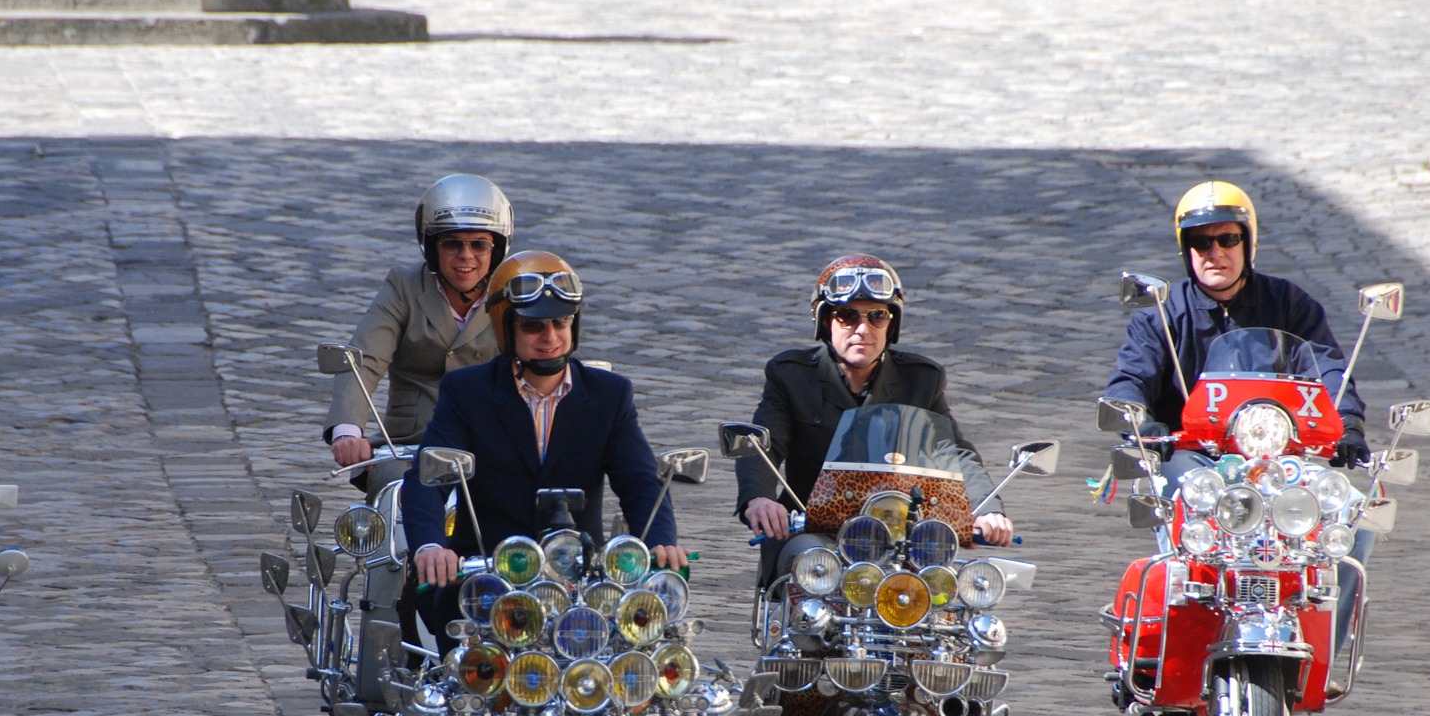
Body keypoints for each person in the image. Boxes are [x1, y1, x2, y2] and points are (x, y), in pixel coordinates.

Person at [404, 250, 686, 614]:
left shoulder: (609, 395)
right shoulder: (467, 391)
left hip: (580, 580)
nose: (550, 336)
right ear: (506, 327)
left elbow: (641, 482)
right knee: (452, 642)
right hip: (486, 577)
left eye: (561, 323)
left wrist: (660, 542)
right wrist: (431, 547)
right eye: (533, 326)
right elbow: (426, 478)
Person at [734, 254, 1014, 581]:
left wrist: (987, 510)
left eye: (876, 316)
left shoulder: (921, 380)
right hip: (816, 531)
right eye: (847, 316)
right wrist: (760, 499)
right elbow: (763, 443)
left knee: (948, 591)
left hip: (900, 536)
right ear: (826, 321)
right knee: (815, 567)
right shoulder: (791, 376)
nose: (862, 329)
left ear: (891, 323)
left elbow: (954, 453)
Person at [1103, 180, 1368, 472]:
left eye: (1228, 239)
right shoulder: (1162, 314)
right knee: (1176, 490)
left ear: (1248, 242)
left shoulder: (1289, 303)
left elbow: (1326, 368)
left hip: (1277, 455)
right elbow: (1132, 377)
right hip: (1186, 455)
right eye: (1201, 242)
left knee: (1338, 506)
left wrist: (1348, 422)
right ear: (1186, 249)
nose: (1215, 253)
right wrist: (1141, 423)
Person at [325, 174, 510, 495]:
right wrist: (347, 432)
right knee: (394, 491)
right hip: (409, 448)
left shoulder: (512, 293)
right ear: (431, 246)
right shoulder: (403, 286)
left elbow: (540, 361)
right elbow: (364, 359)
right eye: (452, 243)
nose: (466, 256)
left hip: (494, 444)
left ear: (497, 249)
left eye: (479, 244)